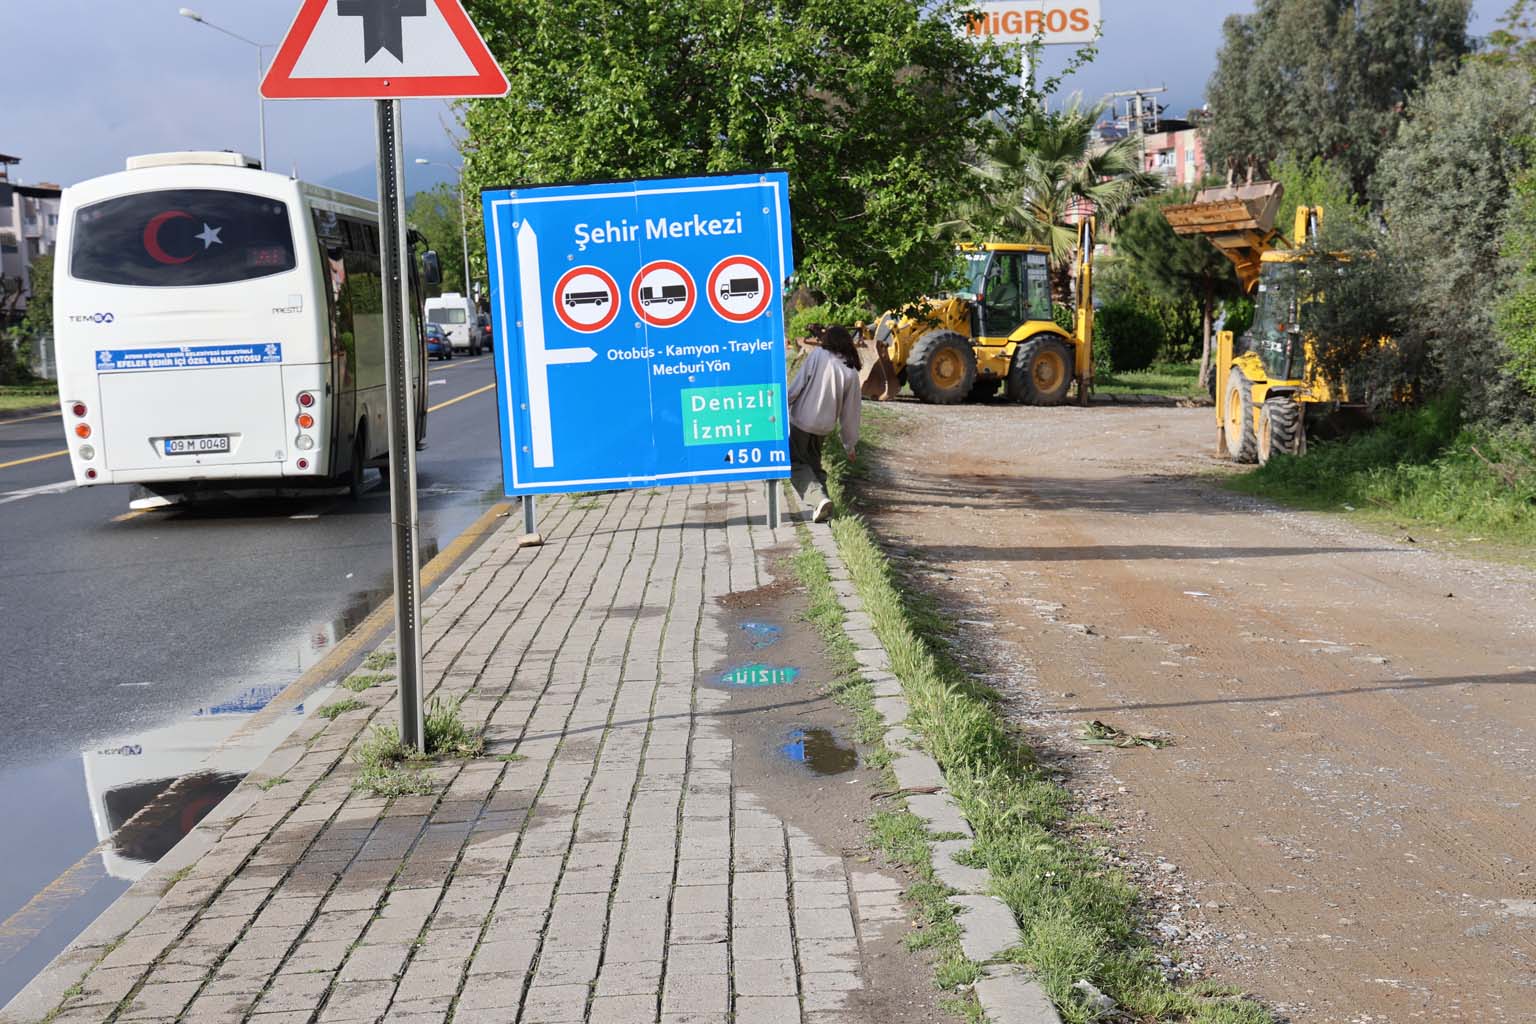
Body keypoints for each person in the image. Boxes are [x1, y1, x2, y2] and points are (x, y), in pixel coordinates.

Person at [786, 324, 862, 522]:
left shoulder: (818, 355)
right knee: (813, 464)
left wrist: (782, 404)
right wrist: (849, 443)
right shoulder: (851, 371)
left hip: (802, 420)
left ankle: (818, 499)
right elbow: (851, 412)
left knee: (793, 464)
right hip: (823, 428)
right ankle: (825, 507)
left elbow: (797, 386)